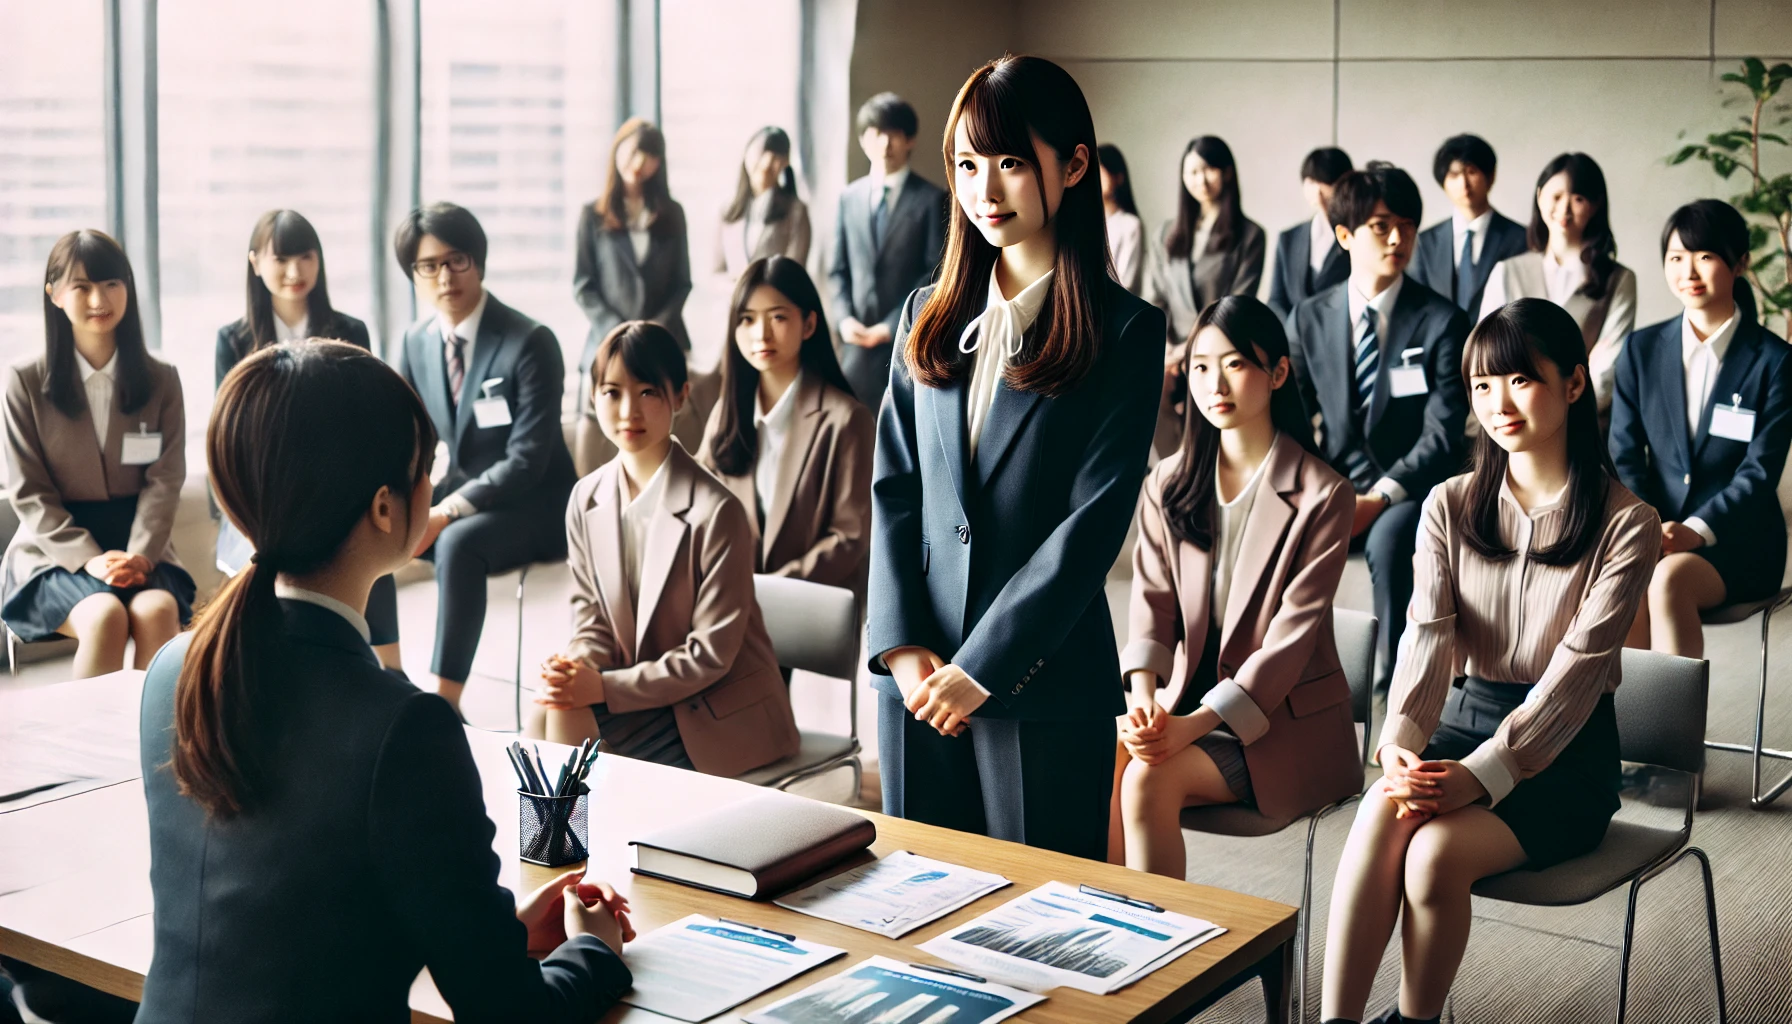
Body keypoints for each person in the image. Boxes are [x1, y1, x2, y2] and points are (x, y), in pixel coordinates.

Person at [137, 340, 635, 1022]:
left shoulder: (174, 668)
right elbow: (512, 1016)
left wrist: (488, 927)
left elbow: (290, 920)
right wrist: (595, 951)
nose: (434, 489)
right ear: (382, 508)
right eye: (425, 471)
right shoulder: (404, 727)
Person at [1319, 299, 1658, 1024]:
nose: (1497, 403)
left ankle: (1416, 1022)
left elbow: (1577, 674)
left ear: (1573, 384)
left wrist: (1485, 774)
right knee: (1384, 808)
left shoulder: (1629, 523)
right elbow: (1429, 638)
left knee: (1435, 856)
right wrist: (1400, 744)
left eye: (1519, 381)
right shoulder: (1447, 504)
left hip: (1564, 755)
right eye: (1481, 385)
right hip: (1461, 720)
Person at [866, 55, 1165, 860]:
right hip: (917, 680)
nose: (985, 191)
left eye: (1009, 163)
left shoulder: (1125, 332)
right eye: (967, 164)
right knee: (921, 911)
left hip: (1038, 680)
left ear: (1072, 167)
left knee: (1041, 931)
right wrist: (900, 649)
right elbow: (894, 489)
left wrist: (984, 669)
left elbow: (1092, 525)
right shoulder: (924, 314)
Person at [1114, 296, 1361, 879]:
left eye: (1234, 364)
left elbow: (1288, 646)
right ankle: (1112, 932)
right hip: (1182, 706)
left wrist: (1189, 728)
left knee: (1146, 777)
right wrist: (1144, 701)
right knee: (1101, 758)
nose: (1213, 383)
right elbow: (1150, 606)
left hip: (1284, 731)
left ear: (1277, 373)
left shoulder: (1324, 495)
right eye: (1200, 366)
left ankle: (1159, 952)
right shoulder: (1168, 482)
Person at [533, 320, 800, 776]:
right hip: (648, 693)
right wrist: (574, 666)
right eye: (611, 392)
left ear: (680, 395)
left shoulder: (719, 512)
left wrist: (601, 688)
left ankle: (588, 840)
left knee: (562, 722)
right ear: (593, 396)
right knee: (550, 706)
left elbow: (709, 656)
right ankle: (581, 841)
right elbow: (592, 620)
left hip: (717, 709)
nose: (627, 412)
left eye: (647, 392)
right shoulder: (586, 497)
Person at [1289, 163, 1470, 695]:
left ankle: (1392, 689)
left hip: (1408, 490)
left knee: (1392, 543)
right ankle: (1282, 685)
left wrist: (1378, 496)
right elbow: (1293, 420)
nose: (1399, 238)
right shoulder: (1308, 317)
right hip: (1331, 484)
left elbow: (1441, 435)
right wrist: (1323, 491)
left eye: (1409, 226)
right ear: (1344, 235)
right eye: (1381, 225)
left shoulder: (1441, 320)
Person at [395, 202, 578, 717]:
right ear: (414, 274)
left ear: (479, 261)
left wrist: (447, 510)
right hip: (467, 493)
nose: (444, 277)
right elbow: (411, 441)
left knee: (456, 542)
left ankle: (444, 704)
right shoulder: (415, 342)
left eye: (456, 260)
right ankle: (383, 673)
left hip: (539, 506)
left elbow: (528, 459)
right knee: (372, 527)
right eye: (428, 265)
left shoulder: (530, 342)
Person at [212, 208, 403, 673]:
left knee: (366, 539)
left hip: (337, 484)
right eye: (281, 260)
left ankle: (391, 671)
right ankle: (272, 673)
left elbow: (368, 421)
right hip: (264, 496)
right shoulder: (234, 340)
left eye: (305, 257)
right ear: (255, 263)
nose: (295, 273)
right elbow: (232, 436)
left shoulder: (350, 331)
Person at [1, 230, 191, 678]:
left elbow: (165, 480)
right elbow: (29, 492)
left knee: (158, 610)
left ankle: (150, 747)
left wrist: (141, 553)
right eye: (81, 287)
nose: (98, 299)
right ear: (54, 294)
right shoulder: (25, 381)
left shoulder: (161, 379)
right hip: (55, 550)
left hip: (140, 545)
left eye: (110, 284)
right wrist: (88, 556)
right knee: (105, 615)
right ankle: (84, 744)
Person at [1613, 199, 1792, 658]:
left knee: (1667, 580)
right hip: (1655, 531)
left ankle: (1673, 732)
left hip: (1739, 541)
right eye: (1676, 258)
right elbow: (1626, 455)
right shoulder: (1641, 350)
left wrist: (1694, 529)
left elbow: (1759, 472)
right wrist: (1650, 526)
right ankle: (1622, 728)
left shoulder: (1775, 361)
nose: (1688, 271)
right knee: (1625, 574)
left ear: (1740, 263)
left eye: (1705, 256)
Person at [700, 256, 874, 599]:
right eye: (747, 320)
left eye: (777, 317)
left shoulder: (847, 420)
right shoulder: (727, 413)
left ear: (808, 325)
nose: (760, 334)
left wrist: (769, 590)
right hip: (729, 614)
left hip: (809, 614)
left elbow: (850, 538)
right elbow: (698, 504)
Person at [574, 117, 697, 473]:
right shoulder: (593, 215)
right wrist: (620, 330)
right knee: (597, 433)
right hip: (606, 339)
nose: (639, 165)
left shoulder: (672, 214)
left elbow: (682, 283)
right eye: (632, 154)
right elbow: (583, 285)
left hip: (664, 337)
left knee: (667, 426)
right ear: (617, 154)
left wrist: (652, 328)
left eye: (649, 157)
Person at [1479, 152, 1637, 415]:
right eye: (1556, 196)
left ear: (1596, 205)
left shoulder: (1618, 279)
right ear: (1539, 196)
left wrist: (1558, 416)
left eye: (1578, 198)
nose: (1564, 209)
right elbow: (1487, 355)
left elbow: (1607, 367)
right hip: (1513, 421)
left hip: (1585, 422)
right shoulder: (1507, 271)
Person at [1146, 136, 1267, 457]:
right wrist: (1169, 349)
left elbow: (1237, 304)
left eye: (1209, 169)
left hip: (1220, 348)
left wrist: (1190, 350)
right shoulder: (1166, 233)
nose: (1201, 179)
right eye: (1193, 172)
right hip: (1171, 351)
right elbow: (1155, 298)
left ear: (1227, 173)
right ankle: (1174, 472)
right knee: (1144, 389)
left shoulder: (1250, 234)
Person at [828, 91, 948, 410]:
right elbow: (836, 270)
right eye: (876, 134)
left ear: (909, 140)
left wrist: (890, 326)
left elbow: (934, 272)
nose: (884, 144)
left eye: (893, 135)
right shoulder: (848, 198)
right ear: (863, 140)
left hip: (907, 340)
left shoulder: (931, 199)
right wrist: (843, 320)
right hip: (854, 345)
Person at [1411, 134, 1528, 316]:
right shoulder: (1425, 242)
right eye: (1454, 175)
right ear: (1443, 182)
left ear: (1490, 176)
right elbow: (1418, 306)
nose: (1464, 183)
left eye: (1471, 172)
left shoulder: (1520, 238)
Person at [1268, 146, 1353, 322]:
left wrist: (1329, 209)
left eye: (1326, 182)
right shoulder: (1289, 238)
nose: (1318, 189)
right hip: (1292, 338)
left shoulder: (1355, 235)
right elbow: (1276, 300)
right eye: (1311, 181)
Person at [715, 126, 811, 278]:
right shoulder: (728, 211)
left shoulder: (795, 211)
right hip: (733, 300)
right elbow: (717, 272)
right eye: (760, 153)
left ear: (785, 163)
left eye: (775, 157)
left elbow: (794, 272)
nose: (766, 163)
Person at [1098, 143, 1144, 293]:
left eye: (1100, 170)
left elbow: (1126, 284)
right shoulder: (1083, 224)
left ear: (1118, 177)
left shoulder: (1130, 224)